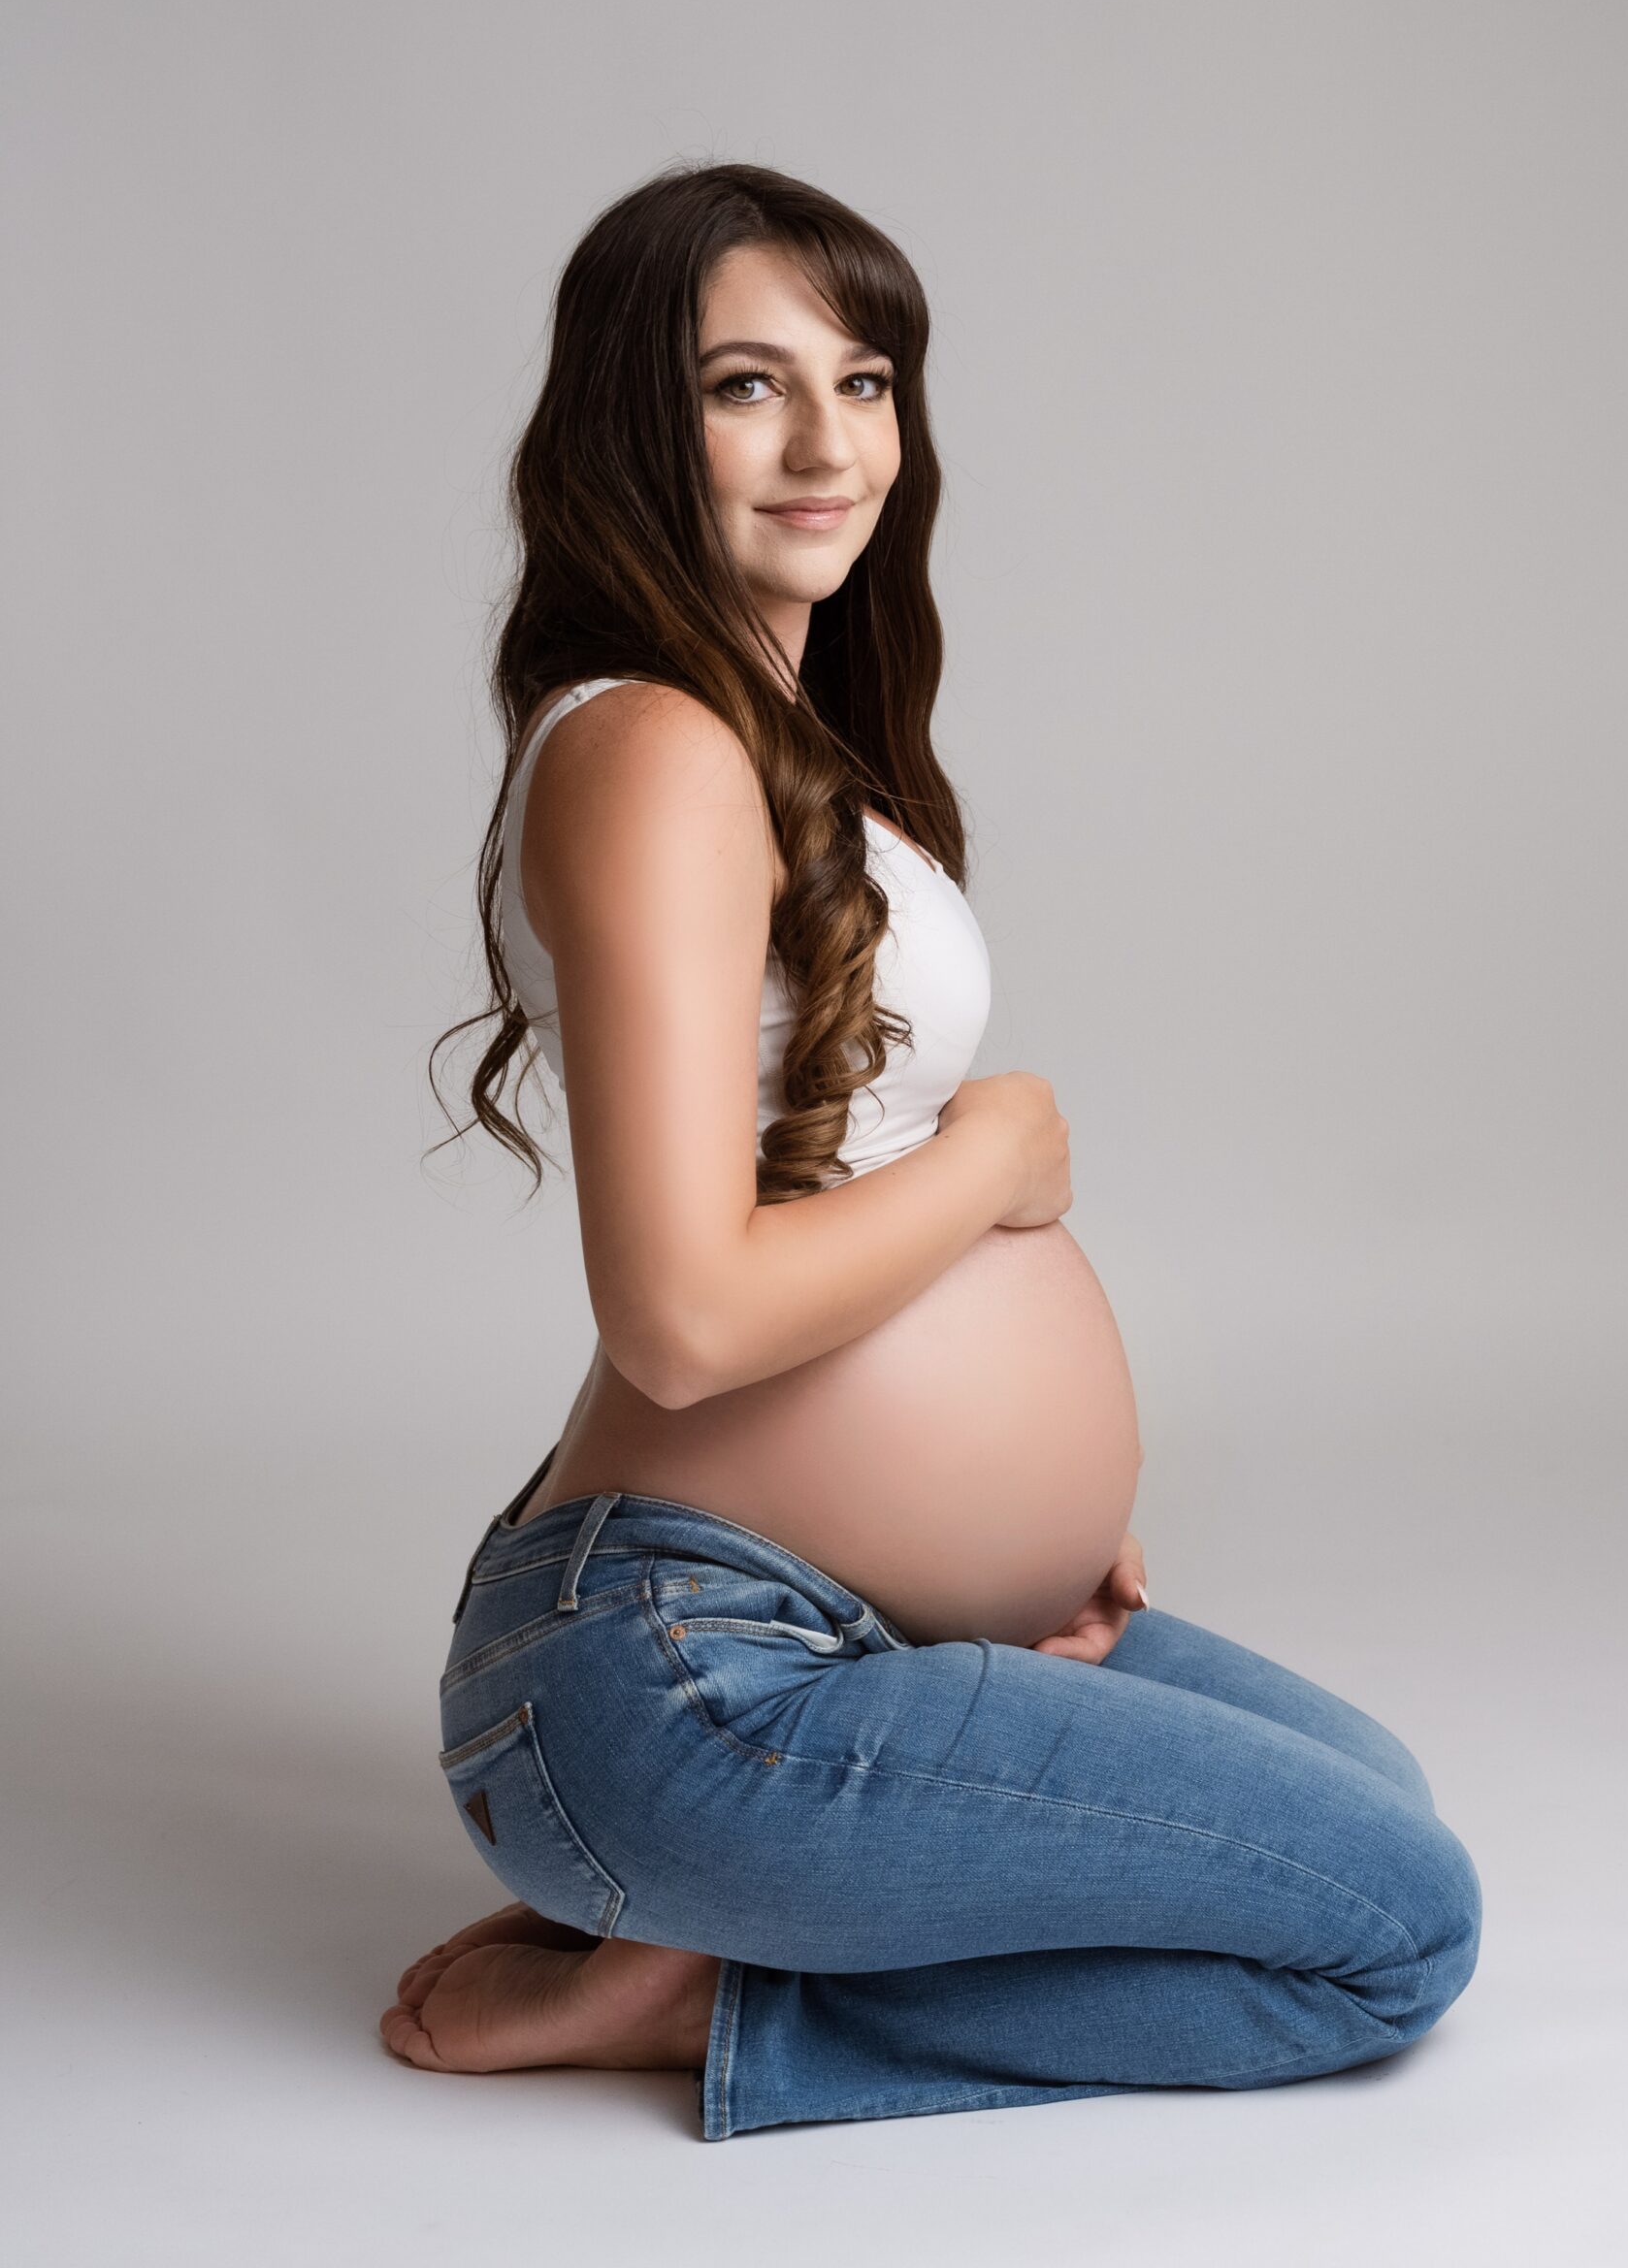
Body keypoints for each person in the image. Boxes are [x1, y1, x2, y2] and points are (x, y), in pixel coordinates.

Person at [380, 162, 1481, 2138]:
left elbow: (806, 1183)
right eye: (744, 384)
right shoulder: (651, 750)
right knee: (1390, 1925)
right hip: (683, 1680)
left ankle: (745, 1906)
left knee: (1364, 1803)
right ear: (635, 423)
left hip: (841, 1612)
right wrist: (999, 1153)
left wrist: (997, 1535)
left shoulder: (782, 744)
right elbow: (682, 1314)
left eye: (865, 378)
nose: (826, 439)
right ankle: (714, 1998)